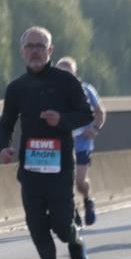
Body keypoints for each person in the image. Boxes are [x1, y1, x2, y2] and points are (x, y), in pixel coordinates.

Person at [0, 27, 94, 259]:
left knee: (62, 227)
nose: (35, 51)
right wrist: (4, 147)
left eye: (41, 46)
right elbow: (6, 123)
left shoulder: (66, 81)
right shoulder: (16, 88)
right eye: (30, 47)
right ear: (22, 52)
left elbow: (85, 114)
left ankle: (75, 243)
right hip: (30, 170)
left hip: (60, 166)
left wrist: (60, 120)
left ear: (50, 50)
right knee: (37, 226)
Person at [55, 57, 107, 226]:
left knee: (79, 182)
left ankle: (87, 198)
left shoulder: (86, 89)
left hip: (82, 142)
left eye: (67, 72)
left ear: (75, 74)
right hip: (62, 143)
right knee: (64, 182)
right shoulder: (52, 92)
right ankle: (72, 211)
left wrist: (95, 128)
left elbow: (100, 112)